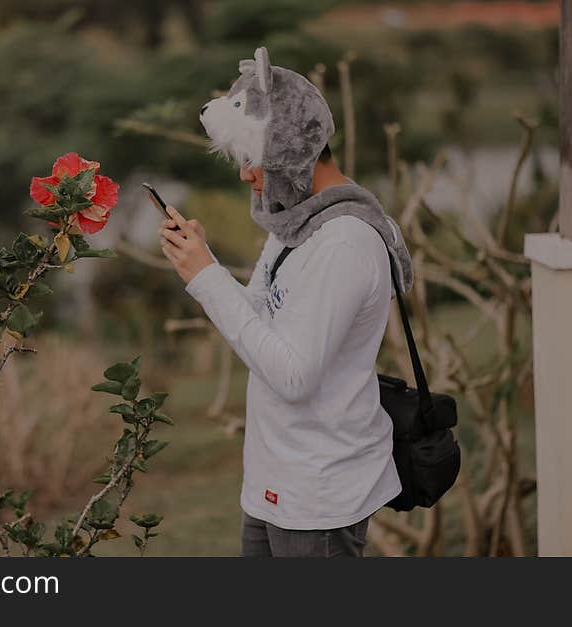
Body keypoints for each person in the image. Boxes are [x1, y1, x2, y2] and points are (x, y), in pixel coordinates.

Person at [158, 47, 414, 557]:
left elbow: (294, 377)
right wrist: (203, 264)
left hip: (318, 495)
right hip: (274, 485)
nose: (245, 176)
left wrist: (206, 278)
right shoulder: (294, 224)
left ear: (286, 151)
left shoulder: (344, 243)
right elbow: (258, 317)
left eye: (251, 159)